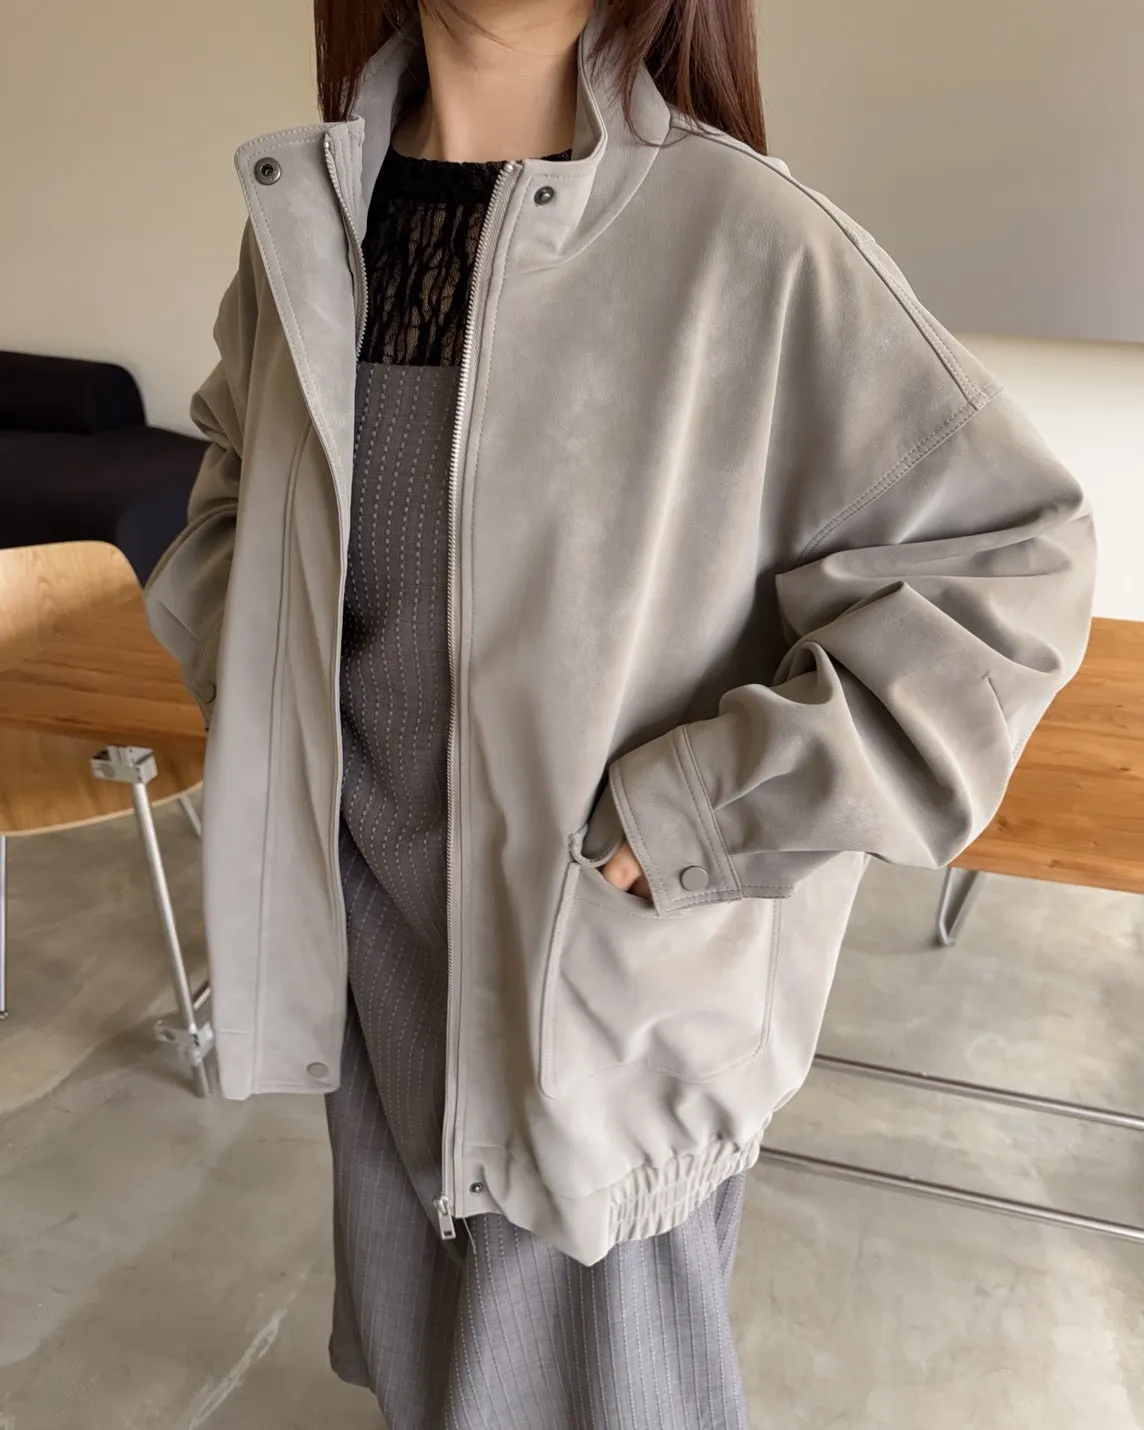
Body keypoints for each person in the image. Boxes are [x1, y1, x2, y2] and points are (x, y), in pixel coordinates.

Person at [145, 0, 1095, 1423]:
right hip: (378, 955)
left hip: (596, 992)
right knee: (421, 1374)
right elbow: (234, 472)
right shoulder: (313, 214)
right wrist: (264, 675)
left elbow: (1012, 564)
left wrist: (704, 813)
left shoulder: (744, 238)